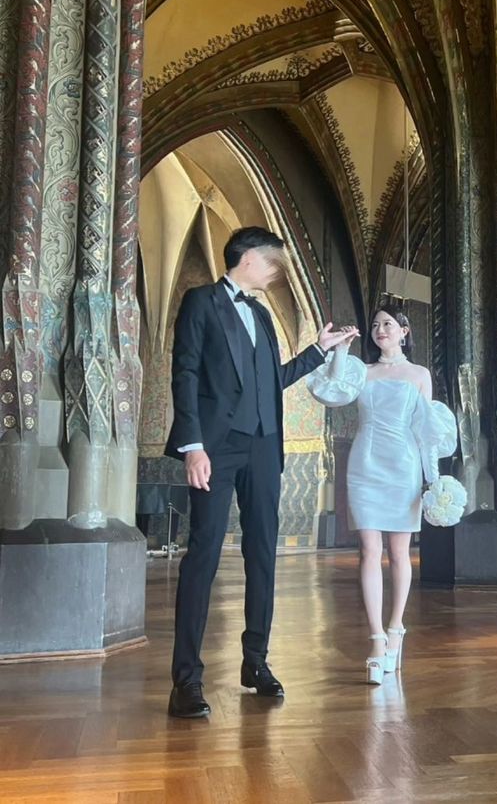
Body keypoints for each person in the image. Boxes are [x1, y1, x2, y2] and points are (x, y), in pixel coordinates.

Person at [165, 226, 357, 719]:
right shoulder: (201, 302)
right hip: (215, 447)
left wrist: (318, 350)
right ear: (248, 258)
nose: (277, 273)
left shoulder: (263, 316)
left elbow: (273, 382)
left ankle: (256, 663)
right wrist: (193, 446)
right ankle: (186, 680)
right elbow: (184, 373)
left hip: (265, 449)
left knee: (263, 556)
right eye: (274, 262)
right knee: (203, 556)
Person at [306, 304, 456, 684]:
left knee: (399, 552)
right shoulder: (363, 371)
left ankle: (395, 630)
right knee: (368, 551)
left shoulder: (419, 375)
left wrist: (432, 479)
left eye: (388, 324)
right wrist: (340, 351)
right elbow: (332, 391)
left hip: (403, 464)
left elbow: (427, 430)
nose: (380, 330)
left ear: (404, 330)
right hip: (364, 464)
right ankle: (375, 640)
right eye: (375, 325)